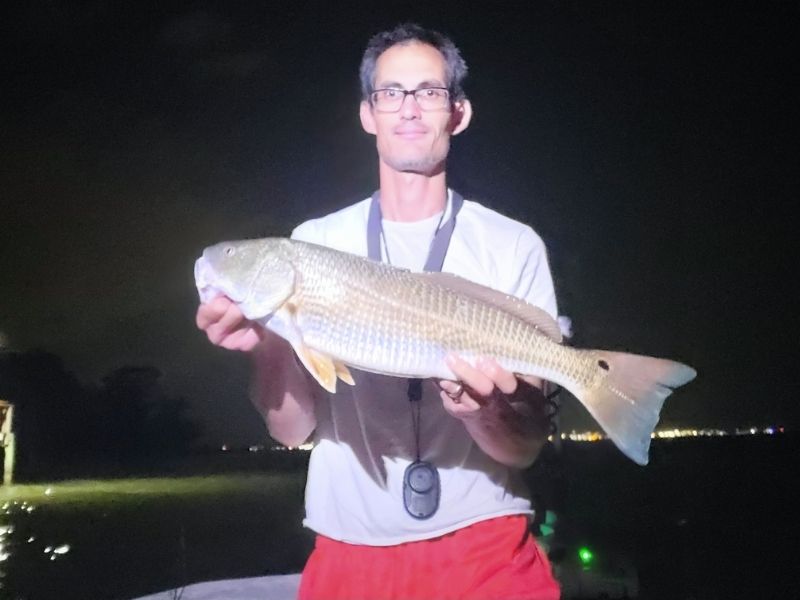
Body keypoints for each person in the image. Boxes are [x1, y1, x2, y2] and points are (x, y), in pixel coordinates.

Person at [196, 23, 561, 600]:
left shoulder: (512, 246)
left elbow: (522, 448)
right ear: (368, 114)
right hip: (349, 549)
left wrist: (480, 412)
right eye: (391, 92)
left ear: (458, 112)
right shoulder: (315, 241)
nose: (409, 108)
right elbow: (290, 430)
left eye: (429, 92)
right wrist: (268, 342)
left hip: (485, 545)